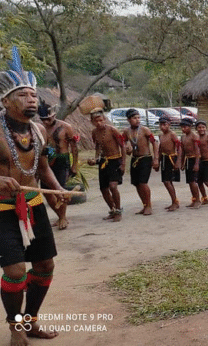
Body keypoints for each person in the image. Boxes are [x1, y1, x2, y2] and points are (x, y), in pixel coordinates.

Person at [0, 52, 62, 343]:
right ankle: (15, 327)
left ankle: (30, 320)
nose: (32, 99)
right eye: (23, 94)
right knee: (14, 270)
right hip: (2, 209)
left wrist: (58, 190)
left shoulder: (39, 131)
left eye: (33, 94)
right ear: (5, 101)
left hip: (33, 204)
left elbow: (44, 168)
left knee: (45, 266)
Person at [38, 101, 78, 229]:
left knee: (59, 190)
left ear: (54, 115)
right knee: (47, 192)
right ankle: (61, 216)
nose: (46, 122)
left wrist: (74, 165)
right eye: (43, 119)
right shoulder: (39, 129)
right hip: (47, 162)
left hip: (62, 160)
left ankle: (62, 217)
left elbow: (74, 147)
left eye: (48, 119)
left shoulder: (66, 127)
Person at [86, 98, 125, 221]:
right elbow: (98, 146)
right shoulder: (94, 132)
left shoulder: (112, 130)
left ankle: (118, 211)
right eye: (96, 121)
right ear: (92, 122)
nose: (99, 123)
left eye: (101, 120)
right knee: (103, 189)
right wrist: (95, 159)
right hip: (103, 162)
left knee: (113, 186)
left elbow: (122, 146)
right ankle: (112, 210)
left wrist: (123, 163)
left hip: (115, 160)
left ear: (104, 119)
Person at [122, 109, 159, 215]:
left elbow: (154, 143)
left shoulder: (144, 130)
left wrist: (156, 159)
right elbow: (123, 143)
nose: (137, 120)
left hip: (145, 158)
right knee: (137, 184)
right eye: (134, 118)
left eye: (138, 117)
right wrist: (127, 147)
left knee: (143, 183)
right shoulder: (126, 131)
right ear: (129, 120)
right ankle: (144, 205)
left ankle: (149, 206)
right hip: (135, 159)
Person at [157, 117, 182, 211]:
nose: (162, 127)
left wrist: (178, 161)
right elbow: (160, 149)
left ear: (169, 125)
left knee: (167, 181)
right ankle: (174, 201)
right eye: (161, 125)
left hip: (172, 158)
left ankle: (175, 202)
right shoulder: (161, 136)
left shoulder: (172, 134)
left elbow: (179, 148)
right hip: (164, 158)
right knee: (166, 181)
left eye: (165, 124)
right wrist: (158, 161)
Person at [179, 117, 201, 208]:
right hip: (188, 160)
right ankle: (194, 199)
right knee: (189, 182)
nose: (184, 129)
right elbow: (183, 151)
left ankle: (198, 200)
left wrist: (196, 163)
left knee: (193, 181)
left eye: (185, 127)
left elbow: (197, 151)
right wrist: (182, 162)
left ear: (190, 126)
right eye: (182, 127)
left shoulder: (194, 136)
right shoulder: (183, 137)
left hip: (194, 159)